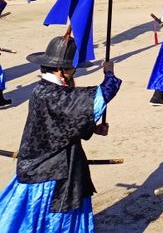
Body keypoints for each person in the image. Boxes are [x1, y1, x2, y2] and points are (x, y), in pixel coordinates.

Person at [0, 35, 121, 232]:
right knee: (50, 220)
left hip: (53, 164)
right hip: (50, 170)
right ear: (60, 70)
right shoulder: (51, 94)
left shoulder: (46, 89)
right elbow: (96, 99)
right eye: (72, 68)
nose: (74, 72)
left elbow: (61, 125)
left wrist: (92, 128)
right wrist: (109, 74)